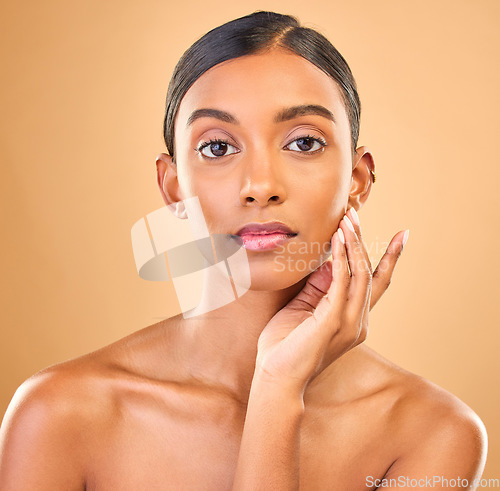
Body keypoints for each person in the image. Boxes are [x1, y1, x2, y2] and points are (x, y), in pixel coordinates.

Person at [0, 10, 487, 490]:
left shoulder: (431, 432)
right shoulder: (60, 415)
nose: (259, 187)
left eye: (302, 143)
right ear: (173, 189)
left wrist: (277, 388)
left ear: (357, 181)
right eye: (217, 148)